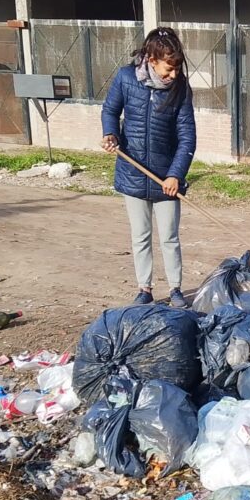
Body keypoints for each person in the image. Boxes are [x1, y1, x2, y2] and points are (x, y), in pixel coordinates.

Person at [101, 27, 196, 307]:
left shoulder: (180, 89)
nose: (174, 75)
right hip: (133, 172)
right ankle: (144, 288)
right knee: (140, 235)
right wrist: (111, 134)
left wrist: (175, 175)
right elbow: (110, 111)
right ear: (152, 60)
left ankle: (176, 289)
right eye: (169, 69)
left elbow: (187, 136)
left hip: (166, 177)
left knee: (169, 236)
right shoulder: (126, 78)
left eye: (177, 69)